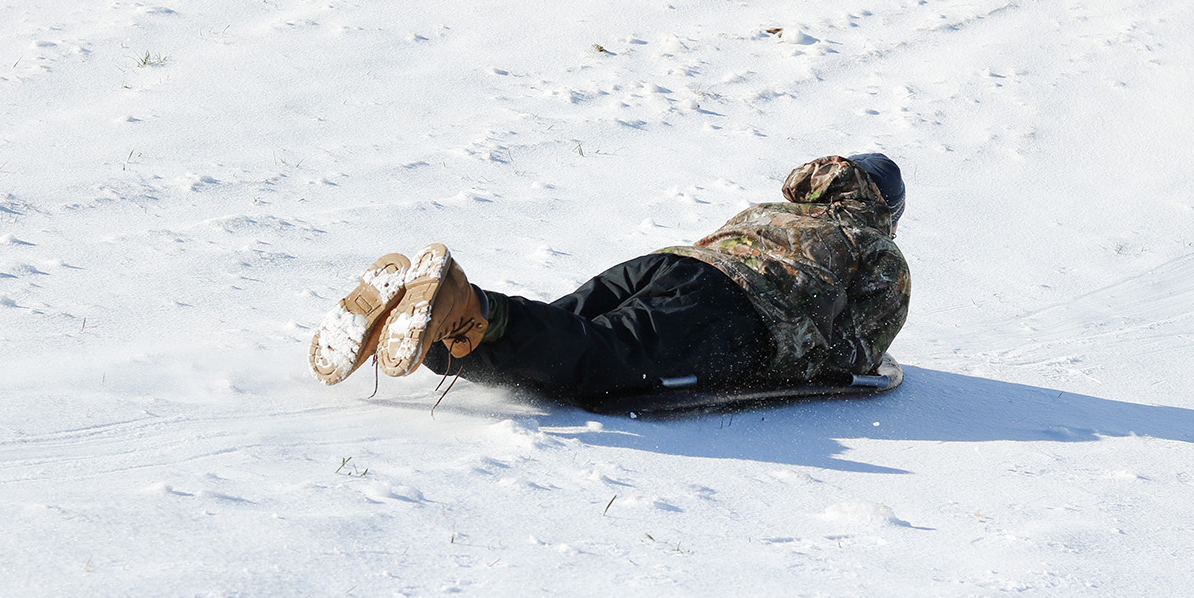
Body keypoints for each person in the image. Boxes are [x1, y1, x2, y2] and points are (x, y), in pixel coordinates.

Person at [308, 153, 910, 407]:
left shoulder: (771, 210)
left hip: (668, 265)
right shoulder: (878, 250)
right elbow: (860, 349)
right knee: (604, 364)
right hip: (736, 304)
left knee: (560, 340)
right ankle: (467, 307)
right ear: (886, 209)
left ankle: (434, 328)